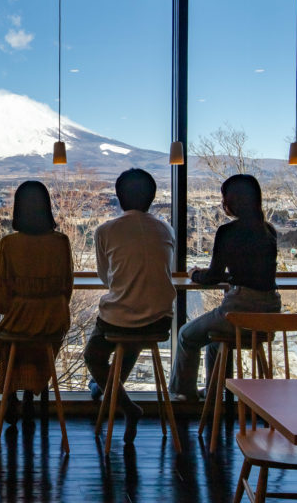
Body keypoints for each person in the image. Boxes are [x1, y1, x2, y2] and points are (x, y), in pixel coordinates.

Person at [169, 174, 281, 402]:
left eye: (224, 197)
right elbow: (255, 272)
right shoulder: (268, 231)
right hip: (270, 313)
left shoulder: (227, 232)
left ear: (232, 201)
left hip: (239, 311)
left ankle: (183, 395)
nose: (222, 202)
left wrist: (194, 274)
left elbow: (213, 276)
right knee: (215, 343)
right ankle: (214, 394)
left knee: (186, 335)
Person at [84, 168, 175, 444]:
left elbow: (105, 277)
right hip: (160, 319)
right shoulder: (165, 228)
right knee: (133, 337)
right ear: (152, 198)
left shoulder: (106, 231)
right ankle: (108, 391)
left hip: (121, 319)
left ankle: (125, 405)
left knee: (93, 355)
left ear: (119, 197)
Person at [0, 180, 73, 424]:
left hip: (19, 321)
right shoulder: (61, 243)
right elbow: (67, 287)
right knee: (41, 343)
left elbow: (0, 302)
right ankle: (33, 391)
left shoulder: (9, 244)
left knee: (8, 338)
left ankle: (11, 394)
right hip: (54, 320)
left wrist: (20, 305)